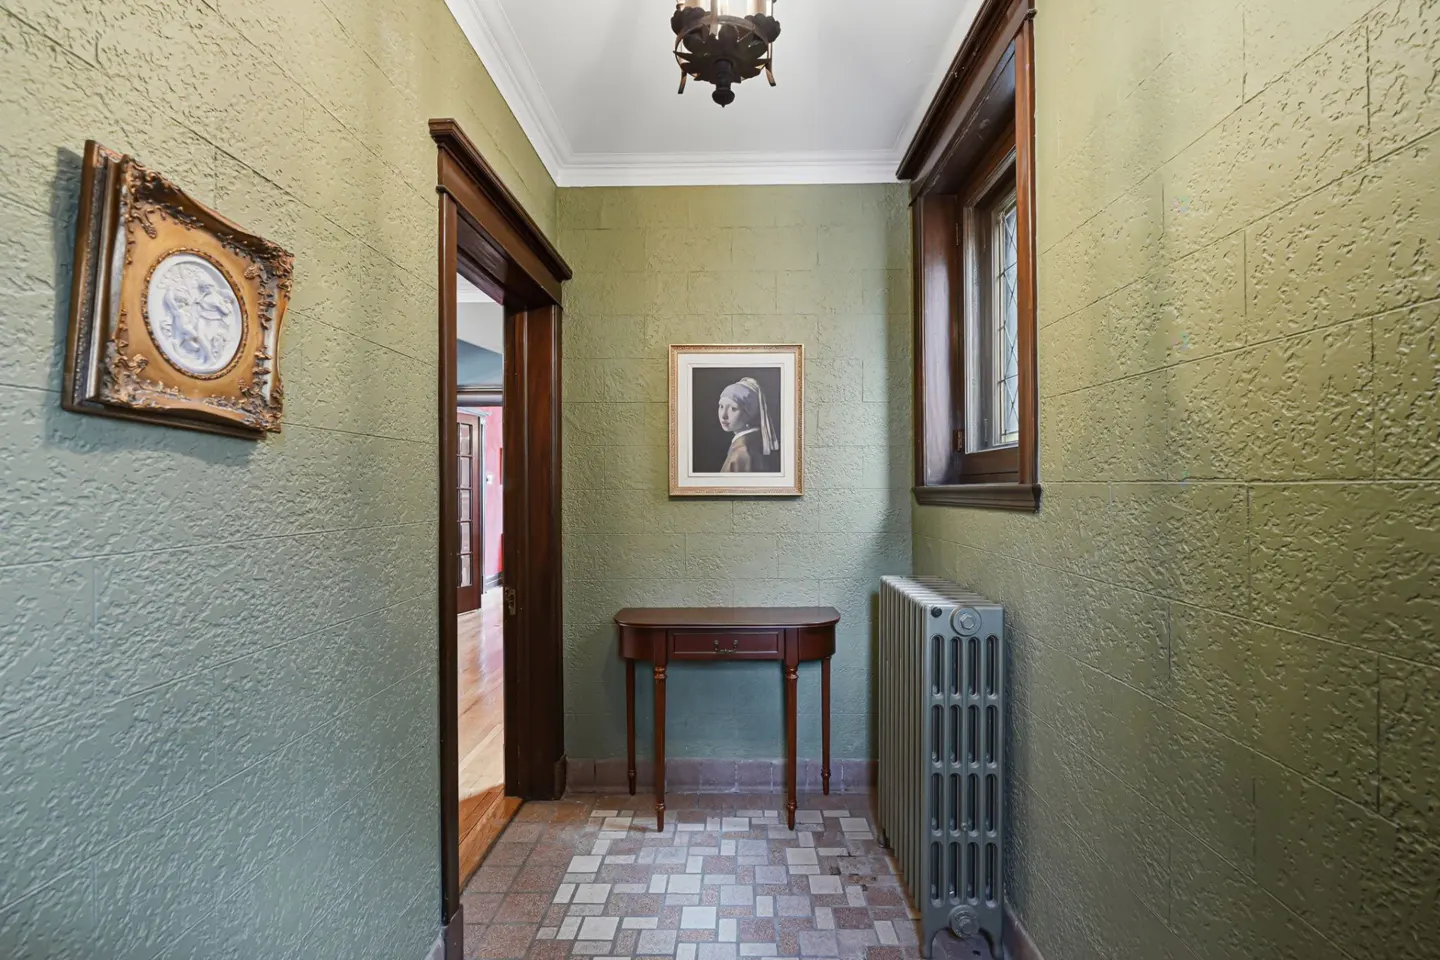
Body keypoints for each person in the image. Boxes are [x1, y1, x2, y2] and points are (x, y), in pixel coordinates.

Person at [716, 376, 779, 473]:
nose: (723, 415)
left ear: (750, 413)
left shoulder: (741, 452)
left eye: (733, 408)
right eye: (721, 406)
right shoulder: (752, 442)